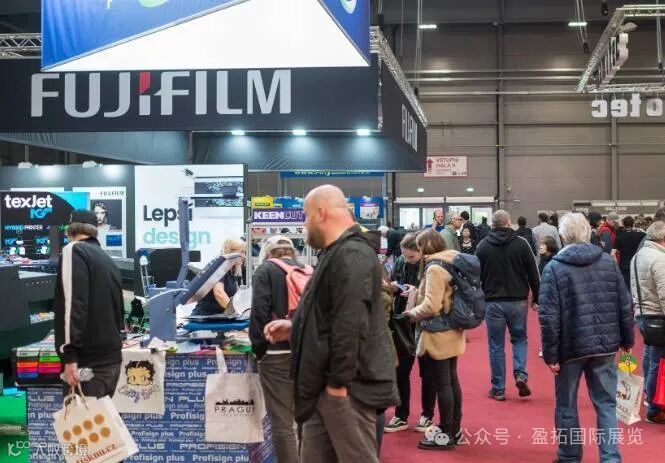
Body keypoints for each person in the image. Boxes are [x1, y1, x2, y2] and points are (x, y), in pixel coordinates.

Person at [263, 185, 397, 463]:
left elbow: (351, 323)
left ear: (321, 213)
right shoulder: (336, 253)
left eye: (306, 216)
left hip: (347, 389)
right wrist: (296, 328)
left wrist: (338, 384)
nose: (305, 224)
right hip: (325, 385)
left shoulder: (352, 254)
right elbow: (331, 313)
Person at [539, 213, 634, 463]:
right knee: (606, 404)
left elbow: (549, 317)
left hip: (570, 347)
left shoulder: (554, 268)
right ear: (588, 233)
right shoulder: (608, 263)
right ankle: (610, 458)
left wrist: (550, 355)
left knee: (566, 404)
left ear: (562, 236)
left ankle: (569, 456)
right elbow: (624, 304)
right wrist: (627, 340)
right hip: (605, 344)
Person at [403, 229, 464, 451]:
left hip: (438, 332)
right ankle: (453, 429)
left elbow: (431, 305)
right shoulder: (451, 260)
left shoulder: (434, 268)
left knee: (443, 384)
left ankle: (446, 433)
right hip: (452, 329)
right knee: (451, 381)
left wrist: (412, 313)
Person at [54, 210, 124, 398]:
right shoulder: (106, 258)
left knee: (78, 417)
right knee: (100, 417)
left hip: (86, 364)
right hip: (110, 362)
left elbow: (73, 304)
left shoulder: (74, 250)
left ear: (70, 230)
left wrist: (69, 356)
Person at [475, 210, 540, 401]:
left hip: (493, 301)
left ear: (493, 225)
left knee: (496, 345)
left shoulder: (483, 246)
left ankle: (498, 389)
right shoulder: (522, 243)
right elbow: (533, 273)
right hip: (518, 301)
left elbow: (475, 275)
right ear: (509, 223)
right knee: (519, 339)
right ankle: (520, 374)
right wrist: (537, 297)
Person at [249, 236, 301, 463]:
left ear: (268, 253)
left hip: (275, 354)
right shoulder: (306, 269)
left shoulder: (265, 270)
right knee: (302, 419)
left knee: (282, 422)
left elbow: (259, 312)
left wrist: (259, 350)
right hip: (304, 353)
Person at [384, 233, 433, 433]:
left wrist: (416, 291)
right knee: (401, 371)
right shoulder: (400, 263)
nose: (407, 259)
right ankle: (400, 415)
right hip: (402, 321)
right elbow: (392, 283)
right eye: (404, 255)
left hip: (424, 323)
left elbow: (433, 297)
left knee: (427, 373)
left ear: (421, 251)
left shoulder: (430, 266)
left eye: (411, 256)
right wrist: (394, 287)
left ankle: (427, 415)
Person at [630, 221, 665, 424]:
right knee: (657, 365)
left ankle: (649, 398)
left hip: (643, 314)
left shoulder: (639, 255)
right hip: (657, 316)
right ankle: (654, 408)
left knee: (650, 358)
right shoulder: (659, 259)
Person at [192, 239, 245, 315]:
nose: (244, 256)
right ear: (231, 252)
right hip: (205, 317)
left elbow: (237, 295)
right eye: (241, 252)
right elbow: (219, 293)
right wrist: (236, 312)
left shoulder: (231, 271)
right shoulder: (219, 267)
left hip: (218, 316)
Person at [612, 216, 646, 288]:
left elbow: (612, 253)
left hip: (624, 265)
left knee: (626, 286)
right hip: (637, 264)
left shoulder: (619, 237)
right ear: (633, 224)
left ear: (623, 225)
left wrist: (616, 265)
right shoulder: (641, 235)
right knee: (637, 286)